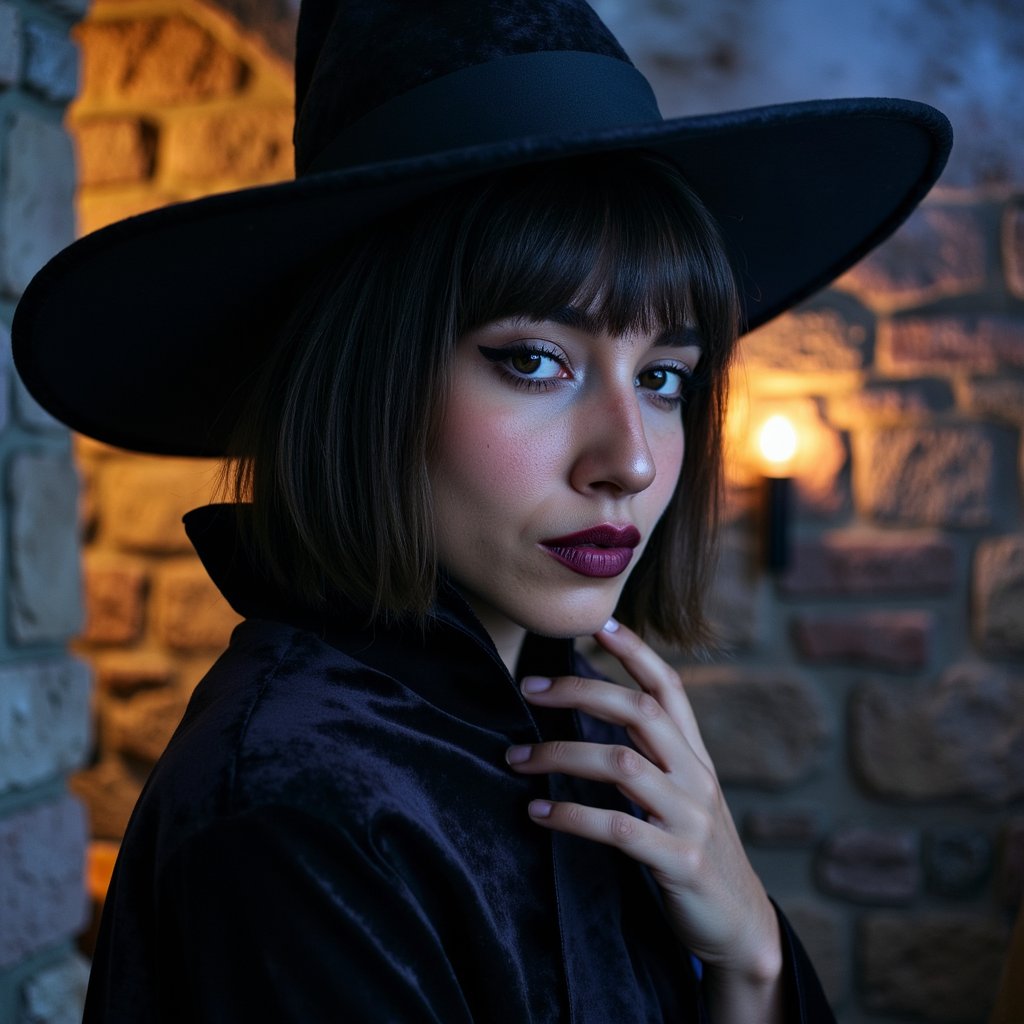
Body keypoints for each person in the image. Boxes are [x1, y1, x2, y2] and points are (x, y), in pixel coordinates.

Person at [12, 1, 951, 1020]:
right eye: (535, 362)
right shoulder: (295, 807)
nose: (631, 460)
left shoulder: (579, 730)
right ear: (368, 384)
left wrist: (751, 953)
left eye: (663, 377)